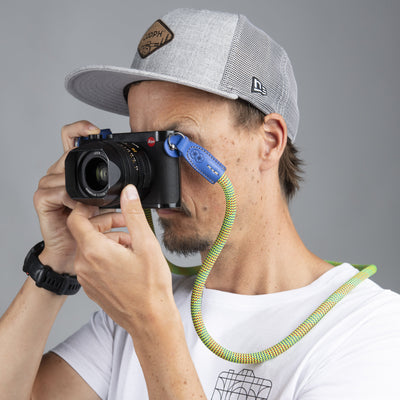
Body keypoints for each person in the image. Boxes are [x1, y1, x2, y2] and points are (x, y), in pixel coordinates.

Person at [0, 8, 399, 400]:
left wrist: (151, 324)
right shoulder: (138, 310)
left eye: (177, 143)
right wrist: (55, 264)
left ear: (270, 141)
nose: (155, 176)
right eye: (143, 146)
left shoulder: (368, 331)